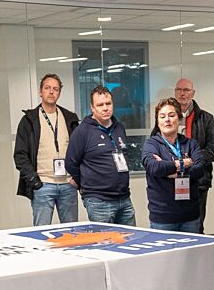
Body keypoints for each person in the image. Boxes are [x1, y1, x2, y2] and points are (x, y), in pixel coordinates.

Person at [151, 79, 214, 232]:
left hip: (197, 181)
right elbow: (155, 148)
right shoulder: (165, 118)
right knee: (169, 227)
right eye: (179, 90)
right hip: (168, 184)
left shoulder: (206, 118)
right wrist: (179, 164)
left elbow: (213, 150)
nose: (182, 93)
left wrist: (188, 163)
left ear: (193, 93)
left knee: (196, 225)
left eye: (186, 90)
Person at [13, 73, 81, 226]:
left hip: (68, 184)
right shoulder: (29, 120)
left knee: (71, 232)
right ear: (40, 91)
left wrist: (77, 178)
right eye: (47, 88)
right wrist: (34, 181)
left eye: (55, 89)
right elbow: (20, 155)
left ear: (59, 93)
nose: (51, 92)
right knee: (41, 233)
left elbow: (80, 151)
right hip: (43, 184)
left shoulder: (70, 118)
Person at [65, 85, 134, 225]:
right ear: (92, 107)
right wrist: (84, 183)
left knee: (131, 237)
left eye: (108, 103)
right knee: (105, 239)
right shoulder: (82, 131)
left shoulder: (119, 127)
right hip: (99, 201)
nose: (105, 108)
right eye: (100, 105)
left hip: (124, 198)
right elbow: (71, 163)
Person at [142, 98, 207, 232]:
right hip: (163, 217)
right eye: (162, 116)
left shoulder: (190, 144)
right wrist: (184, 163)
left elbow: (200, 168)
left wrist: (173, 170)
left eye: (171, 115)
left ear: (179, 119)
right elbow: (154, 167)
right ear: (158, 121)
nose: (167, 120)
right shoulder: (151, 144)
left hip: (190, 216)